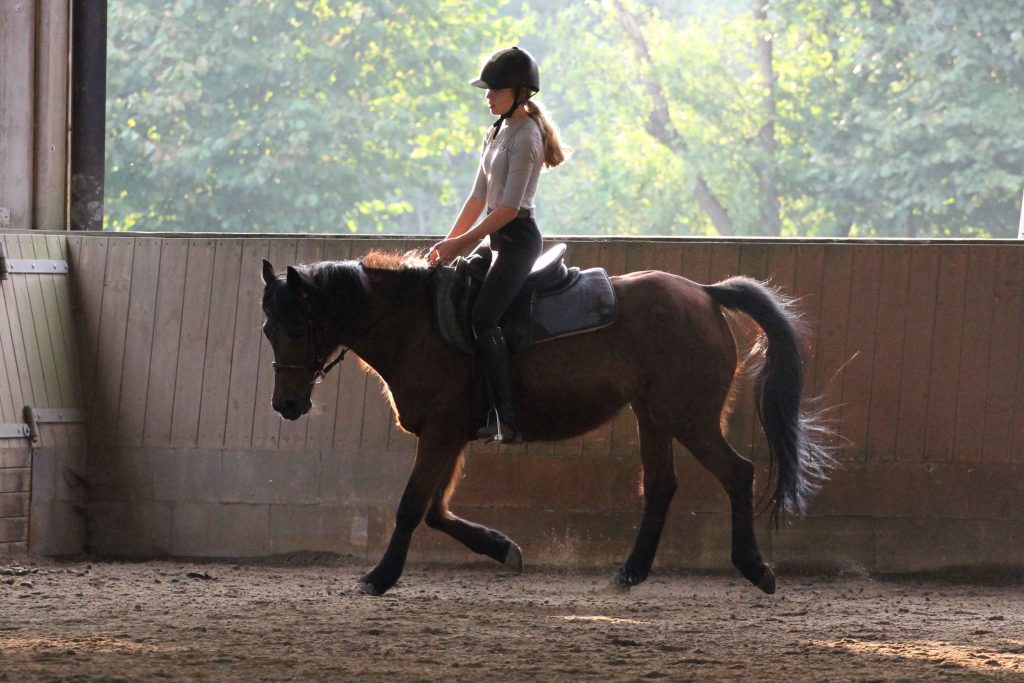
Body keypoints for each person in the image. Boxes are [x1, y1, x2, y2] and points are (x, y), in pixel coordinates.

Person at [428, 46, 569, 443]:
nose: (488, 96)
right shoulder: (496, 131)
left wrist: (461, 245)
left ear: (520, 92)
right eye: (487, 90)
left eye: (495, 89)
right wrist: (450, 240)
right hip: (494, 239)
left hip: (518, 240)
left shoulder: (526, 137)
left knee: (483, 318)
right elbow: (477, 198)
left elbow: (507, 208)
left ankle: (506, 416)